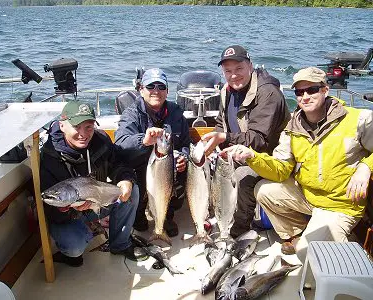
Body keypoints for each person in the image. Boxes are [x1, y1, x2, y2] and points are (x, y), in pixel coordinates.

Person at [223, 66, 373, 260]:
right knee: (264, 189)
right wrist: (251, 156)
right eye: (299, 92)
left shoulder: (358, 119)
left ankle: (339, 251)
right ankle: (297, 233)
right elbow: (280, 170)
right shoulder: (292, 128)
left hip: (340, 205)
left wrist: (365, 167)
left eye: (312, 90)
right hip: (309, 196)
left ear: (325, 90)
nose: (305, 96)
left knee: (307, 255)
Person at [40, 100, 148, 267]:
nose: (83, 134)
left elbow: (118, 162)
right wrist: (69, 209)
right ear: (62, 126)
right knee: (74, 248)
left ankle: (119, 244)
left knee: (132, 191)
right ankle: (82, 235)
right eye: (77, 127)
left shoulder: (100, 140)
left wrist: (126, 179)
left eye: (88, 127)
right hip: (65, 213)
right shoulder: (50, 157)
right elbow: (48, 208)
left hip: (95, 201)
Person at [202, 45, 290, 237]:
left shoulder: (268, 93)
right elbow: (221, 123)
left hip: (269, 157)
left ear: (250, 66)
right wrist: (213, 144)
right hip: (238, 149)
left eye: (239, 69)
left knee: (243, 175)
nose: (234, 76)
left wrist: (225, 138)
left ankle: (239, 231)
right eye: (228, 71)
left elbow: (259, 140)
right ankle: (218, 214)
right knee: (205, 166)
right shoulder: (227, 91)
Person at [114, 68, 190, 237]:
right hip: (140, 167)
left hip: (168, 168)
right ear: (141, 90)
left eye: (161, 87)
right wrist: (144, 141)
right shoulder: (131, 114)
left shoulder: (176, 113)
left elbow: (186, 143)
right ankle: (140, 213)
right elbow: (120, 143)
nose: (156, 91)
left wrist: (184, 157)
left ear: (167, 91)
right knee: (139, 224)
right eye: (150, 86)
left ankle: (166, 217)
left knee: (187, 172)